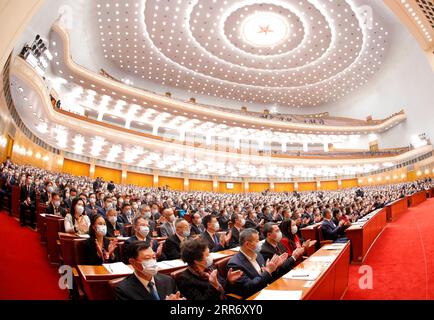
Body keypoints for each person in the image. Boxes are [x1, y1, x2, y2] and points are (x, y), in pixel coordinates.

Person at [226, 228, 289, 299]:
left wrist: (275, 266)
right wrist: (268, 271)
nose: (260, 242)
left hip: (268, 290)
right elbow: (249, 287)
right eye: (257, 241)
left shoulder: (258, 255)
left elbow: (266, 276)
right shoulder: (235, 264)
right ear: (247, 244)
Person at [176, 238, 243, 300]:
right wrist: (213, 286)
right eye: (207, 255)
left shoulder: (210, 268)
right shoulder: (185, 279)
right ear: (196, 260)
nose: (210, 257)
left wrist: (229, 281)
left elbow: (225, 288)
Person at [113, 241, 183, 300]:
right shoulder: (123, 290)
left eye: (154, 257)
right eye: (147, 258)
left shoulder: (168, 280)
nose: (152, 262)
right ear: (132, 262)